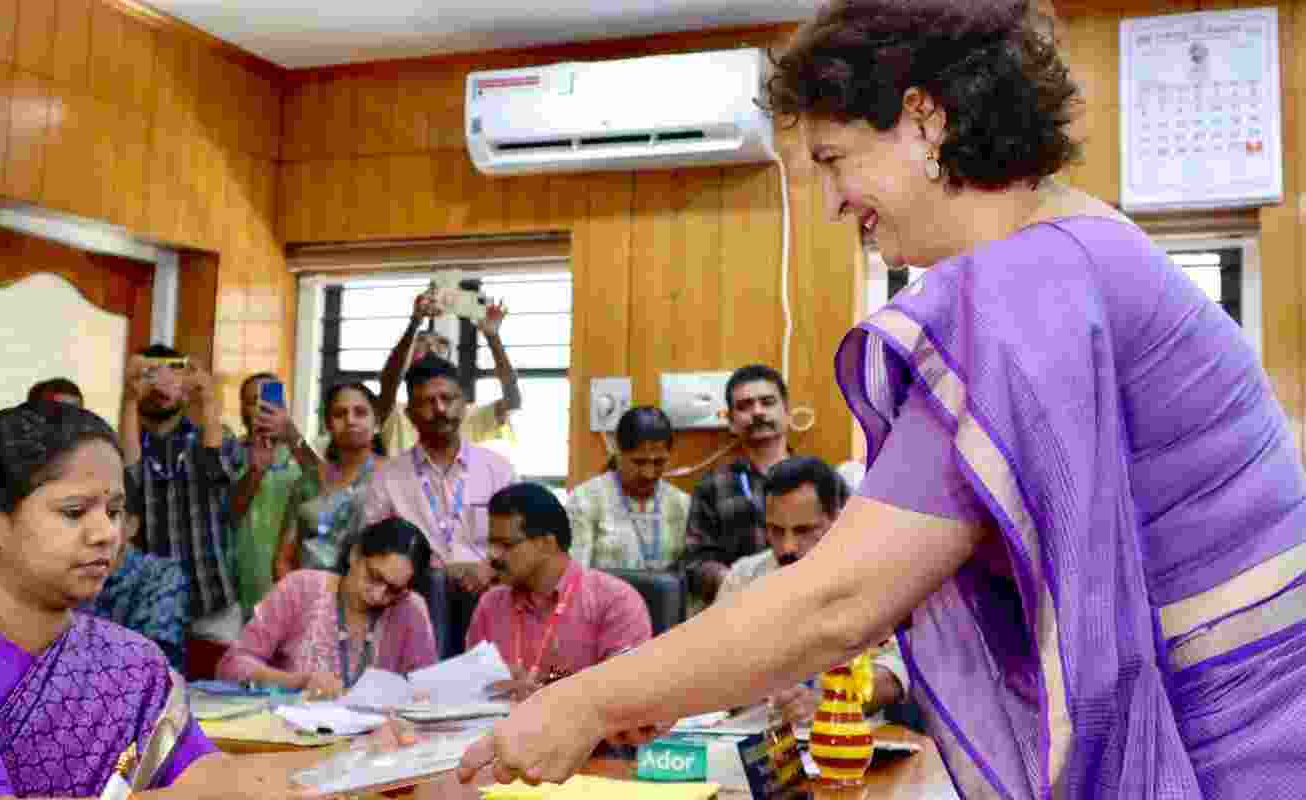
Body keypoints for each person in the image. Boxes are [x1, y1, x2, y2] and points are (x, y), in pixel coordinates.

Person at [458, 2, 1306, 797]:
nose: (831, 203)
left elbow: (838, 600)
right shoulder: (1083, 243)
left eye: (833, 160)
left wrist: (582, 705)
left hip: (1238, 757)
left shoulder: (1029, 284)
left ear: (925, 119)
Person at [0, 402, 292, 798]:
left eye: (114, 511)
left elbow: (207, 775)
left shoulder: (132, 662)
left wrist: (334, 770)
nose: (106, 533)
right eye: (75, 513)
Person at [719, 457, 906, 723]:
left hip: (846, 740)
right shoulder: (742, 579)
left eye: (803, 530)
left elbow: (898, 669)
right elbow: (714, 666)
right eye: (775, 530)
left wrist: (832, 703)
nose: (787, 548)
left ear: (837, 520)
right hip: (754, 739)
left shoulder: (873, 581)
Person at [363, 355, 517, 659]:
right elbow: (371, 548)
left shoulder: (498, 470)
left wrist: (489, 566)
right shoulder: (389, 477)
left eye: (448, 398)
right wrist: (435, 569)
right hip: (417, 593)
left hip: (489, 587)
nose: (440, 409)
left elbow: (519, 538)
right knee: (433, 583)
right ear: (409, 415)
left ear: (465, 404)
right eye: (427, 402)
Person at [468, 483, 652, 702]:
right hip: (499, 731)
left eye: (505, 545)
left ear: (547, 543)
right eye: (491, 544)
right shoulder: (491, 604)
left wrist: (551, 694)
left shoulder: (615, 601)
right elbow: (472, 689)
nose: (493, 556)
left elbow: (625, 691)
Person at [217, 518, 437, 699]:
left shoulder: (410, 609)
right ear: (355, 554)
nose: (378, 594)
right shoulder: (301, 589)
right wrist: (298, 682)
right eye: (374, 576)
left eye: (394, 590)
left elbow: (425, 695)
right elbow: (232, 666)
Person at [120, 344, 243, 643]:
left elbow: (220, 471)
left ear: (185, 388)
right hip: (148, 604)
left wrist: (209, 399)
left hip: (212, 604)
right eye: (151, 374)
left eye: (172, 372)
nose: (160, 382)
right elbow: (126, 481)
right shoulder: (123, 443)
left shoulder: (211, 436)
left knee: (221, 689)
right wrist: (130, 397)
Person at [680, 364, 794, 607]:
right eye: (744, 406)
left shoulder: (819, 480)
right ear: (731, 422)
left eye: (767, 402)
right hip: (738, 616)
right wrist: (737, 583)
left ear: (787, 413)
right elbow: (694, 563)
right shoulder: (713, 486)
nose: (757, 412)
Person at [372, 287, 521, 457]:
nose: (430, 348)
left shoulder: (466, 414)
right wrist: (415, 322)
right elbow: (390, 381)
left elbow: (512, 401)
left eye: (439, 345)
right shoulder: (396, 414)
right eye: (422, 343)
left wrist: (492, 336)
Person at [83, 471, 191, 670]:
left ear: (132, 526)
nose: (95, 528)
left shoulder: (162, 577)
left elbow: (149, 667)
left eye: (111, 513)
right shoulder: (66, 576)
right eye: (78, 513)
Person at [276, 382, 382, 578]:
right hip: (310, 597)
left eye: (360, 412)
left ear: (377, 424)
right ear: (328, 425)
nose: (350, 420)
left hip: (372, 598)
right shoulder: (308, 482)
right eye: (340, 414)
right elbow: (283, 560)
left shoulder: (393, 477)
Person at [227, 372, 311, 616]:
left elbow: (325, 488)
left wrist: (291, 435)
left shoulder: (301, 451)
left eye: (270, 401)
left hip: (292, 577)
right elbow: (229, 516)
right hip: (241, 581)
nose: (260, 408)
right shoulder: (229, 450)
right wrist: (255, 471)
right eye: (252, 400)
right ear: (242, 409)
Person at [567, 406, 690, 570]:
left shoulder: (681, 504)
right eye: (639, 462)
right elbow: (575, 578)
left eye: (659, 462)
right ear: (617, 453)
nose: (649, 473)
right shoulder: (585, 500)